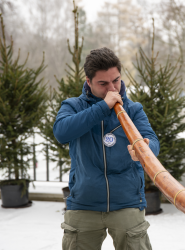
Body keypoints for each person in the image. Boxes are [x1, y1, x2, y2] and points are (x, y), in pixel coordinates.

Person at [53, 47, 160, 250]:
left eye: (116, 80)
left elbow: (152, 141)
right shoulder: (74, 106)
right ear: (88, 81)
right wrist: (103, 107)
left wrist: (146, 149)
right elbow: (61, 132)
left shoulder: (133, 109)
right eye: (103, 83)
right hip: (84, 203)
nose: (113, 89)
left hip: (127, 203)